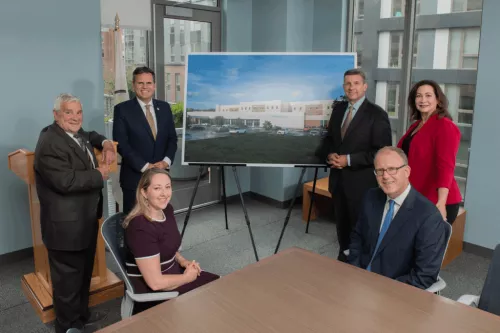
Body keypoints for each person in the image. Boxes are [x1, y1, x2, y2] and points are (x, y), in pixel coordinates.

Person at [34, 93, 116, 333]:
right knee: (68, 281)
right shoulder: (50, 142)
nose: (75, 117)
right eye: (68, 112)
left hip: (84, 221)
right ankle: (67, 326)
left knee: (82, 276)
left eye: (78, 112)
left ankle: (81, 317)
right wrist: (99, 174)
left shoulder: (73, 133)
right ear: (56, 115)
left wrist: (106, 143)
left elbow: (90, 135)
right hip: (65, 227)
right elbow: (65, 181)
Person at [316, 68, 392, 262]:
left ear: (365, 86)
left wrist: (348, 160)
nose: (352, 87)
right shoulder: (339, 109)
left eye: (356, 83)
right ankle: (343, 262)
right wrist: (330, 155)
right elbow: (329, 140)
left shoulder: (377, 114)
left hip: (362, 186)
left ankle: (361, 270)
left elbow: (381, 153)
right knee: (342, 229)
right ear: (344, 87)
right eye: (348, 84)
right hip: (338, 182)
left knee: (362, 231)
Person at [348, 147, 448, 290]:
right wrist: (355, 271)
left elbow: (424, 275)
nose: (386, 176)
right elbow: (357, 238)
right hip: (358, 278)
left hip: (392, 291)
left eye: (392, 169)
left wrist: (383, 288)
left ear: (406, 171)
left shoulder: (428, 216)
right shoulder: (371, 197)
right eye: (380, 171)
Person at [123, 168, 219, 314]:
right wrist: (186, 278)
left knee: (220, 284)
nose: (164, 194)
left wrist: (182, 261)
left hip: (171, 272)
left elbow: (167, 247)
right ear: (144, 192)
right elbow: (155, 283)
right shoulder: (140, 228)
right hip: (154, 293)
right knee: (215, 300)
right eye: (157, 188)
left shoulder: (167, 210)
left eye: (168, 187)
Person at [113, 66, 177, 213]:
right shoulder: (122, 109)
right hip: (135, 179)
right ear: (134, 85)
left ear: (154, 85)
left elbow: (172, 139)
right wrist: (146, 166)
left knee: (160, 220)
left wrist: (165, 162)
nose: (145, 87)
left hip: (161, 177)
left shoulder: (165, 107)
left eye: (148, 83)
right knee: (134, 223)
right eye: (140, 83)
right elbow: (122, 144)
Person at [397, 80, 462, 224]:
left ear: (438, 100)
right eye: (418, 96)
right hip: (416, 196)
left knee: (427, 245)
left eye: (428, 95)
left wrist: (441, 202)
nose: (423, 100)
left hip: (436, 200)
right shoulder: (416, 125)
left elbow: (446, 166)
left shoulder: (445, 126)